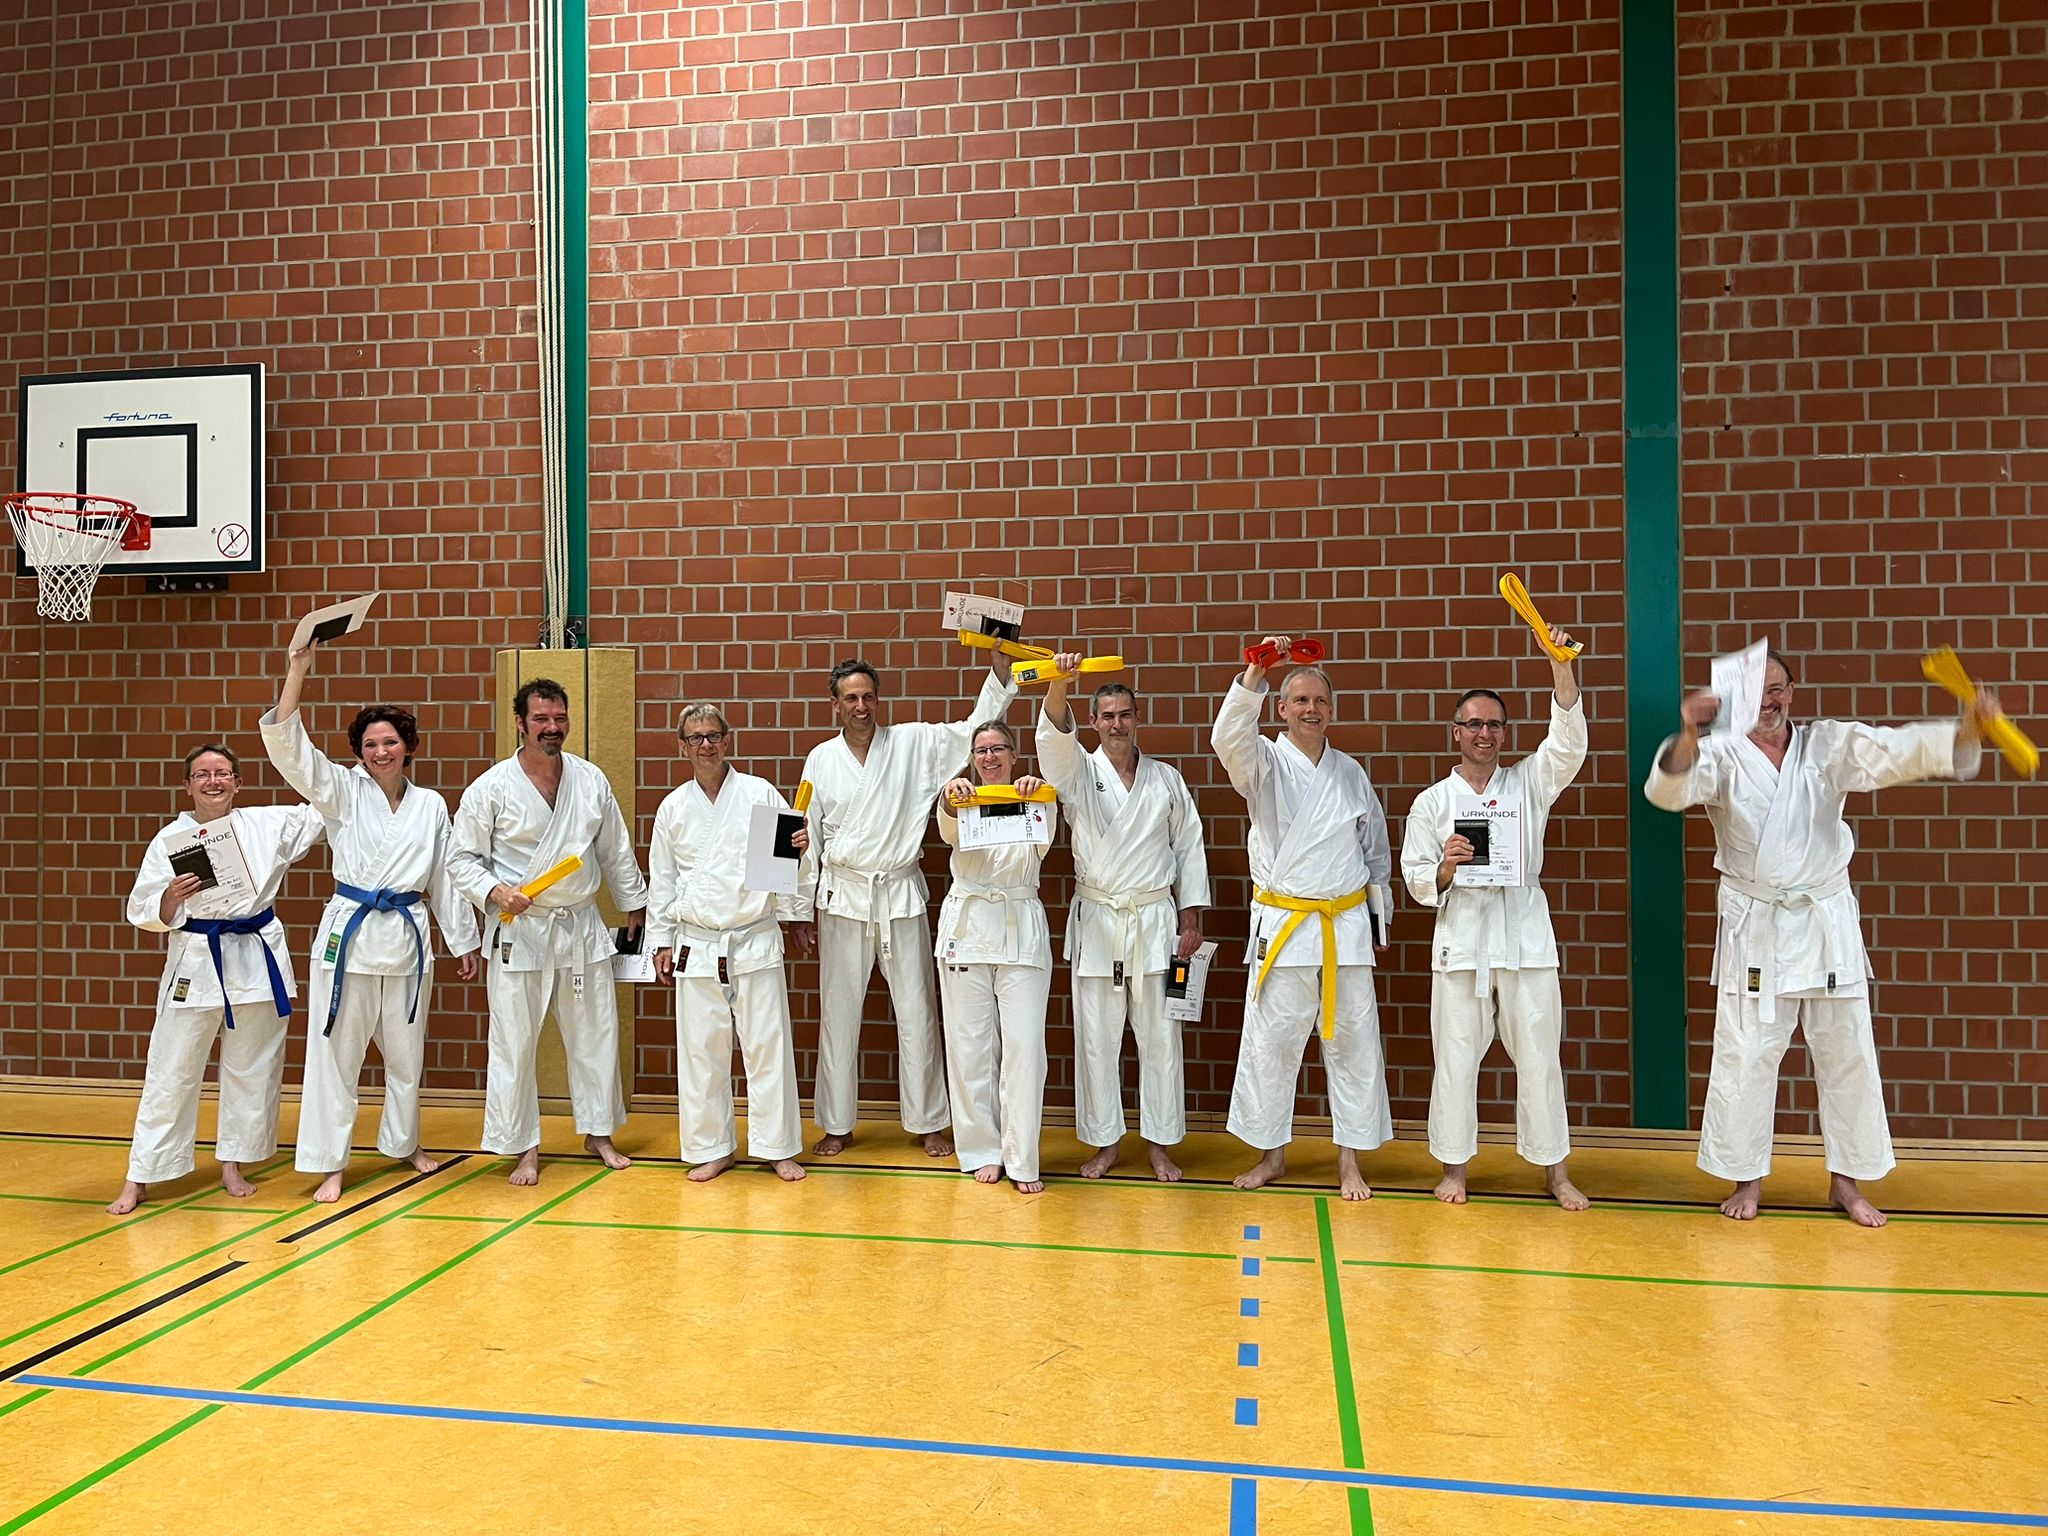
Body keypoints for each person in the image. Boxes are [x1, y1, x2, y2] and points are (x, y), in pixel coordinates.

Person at [1643, 649, 2000, 1226]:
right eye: (1756, 690)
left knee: (1847, 1053)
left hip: (1825, 921)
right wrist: (1688, 729)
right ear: (1734, 697)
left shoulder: (1827, 743)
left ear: (1792, 693)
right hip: (1757, 925)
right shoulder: (1721, 752)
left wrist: (1966, 728)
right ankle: (1747, 1178)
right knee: (1747, 1054)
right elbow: (1667, 791)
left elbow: (1895, 751)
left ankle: (1846, 1182)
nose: (1768, 701)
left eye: (1777, 689)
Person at [261, 641, 481, 1203]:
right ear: (358, 754)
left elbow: (445, 875)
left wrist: (463, 941)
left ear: (408, 747)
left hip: (407, 937)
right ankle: (330, 1162)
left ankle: (404, 1142)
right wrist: (298, 670)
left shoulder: (431, 805)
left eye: (390, 742)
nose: (381, 752)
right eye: (370, 745)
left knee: (407, 1054)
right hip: (351, 937)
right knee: (337, 1054)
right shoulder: (340, 790)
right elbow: (291, 751)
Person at [1399, 625, 1589, 1211]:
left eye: (1495, 725)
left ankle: (1556, 1170)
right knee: (1455, 1059)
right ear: (1456, 732)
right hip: (1462, 940)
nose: (1485, 733)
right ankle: (1454, 1168)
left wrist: (1561, 667)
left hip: (1524, 936)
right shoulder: (1432, 802)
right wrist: (1446, 868)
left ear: (1505, 733)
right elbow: (1414, 877)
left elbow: (1568, 745)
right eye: (1474, 724)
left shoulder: (1529, 781)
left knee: (1541, 1058)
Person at [799, 654, 1017, 1156]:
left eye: (868, 697)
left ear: (878, 700)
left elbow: (971, 730)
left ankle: (928, 1120)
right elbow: (807, 835)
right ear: (835, 705)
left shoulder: (913, 744)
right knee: (838, 1014)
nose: (860, 706)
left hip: (899, 893)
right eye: (850, 698)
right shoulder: (820, 760)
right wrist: (799, 909)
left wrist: (1000, 675)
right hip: (842, 897)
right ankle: (836, 1122)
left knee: (918, 1009)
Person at [1212, 639, 1393, 1200]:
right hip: (1286, 926)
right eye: (1300, 700)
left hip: (1344, 926)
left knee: (1354, 1045)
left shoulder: (1351, 773)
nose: (1311, 709)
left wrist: (1377, 919)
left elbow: (1375, 851)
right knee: (1272, 1044)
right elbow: (1227, 739)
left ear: (1331, 710)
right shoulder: (1262, 762)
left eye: (1320, 701)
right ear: (1282, 708)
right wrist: (1254, 674)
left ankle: (1350, 1161)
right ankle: (1272, 1156)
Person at [109, 744, 325, 1215]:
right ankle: (142, 1174)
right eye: (203, 774)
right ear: (187, 786)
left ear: (238, 783)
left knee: (253, 1069)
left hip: (255, 957)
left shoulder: (268, 824)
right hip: (197, 960)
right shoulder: (169, 840)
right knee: (171, 1071)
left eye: (223, 773)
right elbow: (141, 909)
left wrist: (364, 769)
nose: (213, 781)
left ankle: (234, 1162)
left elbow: (327, 803)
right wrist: (170, 897)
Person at [448, 679, 647, 1187]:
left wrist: (634, 905)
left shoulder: (590, 779)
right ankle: (524, 1147)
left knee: (596, 1033)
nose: (552, 727)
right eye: (540, 719)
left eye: (559, 718)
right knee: (514, 1042)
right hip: (521, 929)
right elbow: (460, 859)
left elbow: (615, 849)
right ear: (520, 723)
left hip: (579, 925)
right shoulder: (491, 787)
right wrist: (496, 892)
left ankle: (599, 1132)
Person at [1036, 656, 1209, 1181]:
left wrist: (1191, 919)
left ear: (1138, 718)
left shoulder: (1166, 779)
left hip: (1155, 920)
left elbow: (1189, 849)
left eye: (1125, 714)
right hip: (1100, 923)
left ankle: (1160, 1143)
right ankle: (1106, 1141)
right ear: (1092, 722)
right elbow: (1053, 745)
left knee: (1161, 1039)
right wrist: (1059, 685)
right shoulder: (1078, 772)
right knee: (1097, 1039)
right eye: (1107, 716)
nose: (1116, 724)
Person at [648, 704, 814, 1183]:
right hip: (696, 942)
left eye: (713, 735)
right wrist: (660, 941)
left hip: (753, 936)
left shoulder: (760, 793)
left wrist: (799, 888)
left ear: (727, 740)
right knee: (702, 1053)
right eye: (695, 737)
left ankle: (777, 1147)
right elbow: (662, 879)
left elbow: (790, 865)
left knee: (768, 1047)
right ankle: (712, 1148)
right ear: (682, 746)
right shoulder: (672, 808)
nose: (706, 745)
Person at [934, 721, 1057, 1193]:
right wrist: (950, 799)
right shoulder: (960, 798)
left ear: (1013, 754)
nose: (989, 757)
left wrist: (1036, 792)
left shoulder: (1036, 795)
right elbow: (948, 830)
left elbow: (1043, 839)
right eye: (981, 750)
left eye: (998, 748)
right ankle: (981, 1149)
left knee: (1024, 1048)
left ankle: (1022, 1156)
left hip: (1018, 924)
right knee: (969, 1047)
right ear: (972, 758)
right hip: (968, 928)